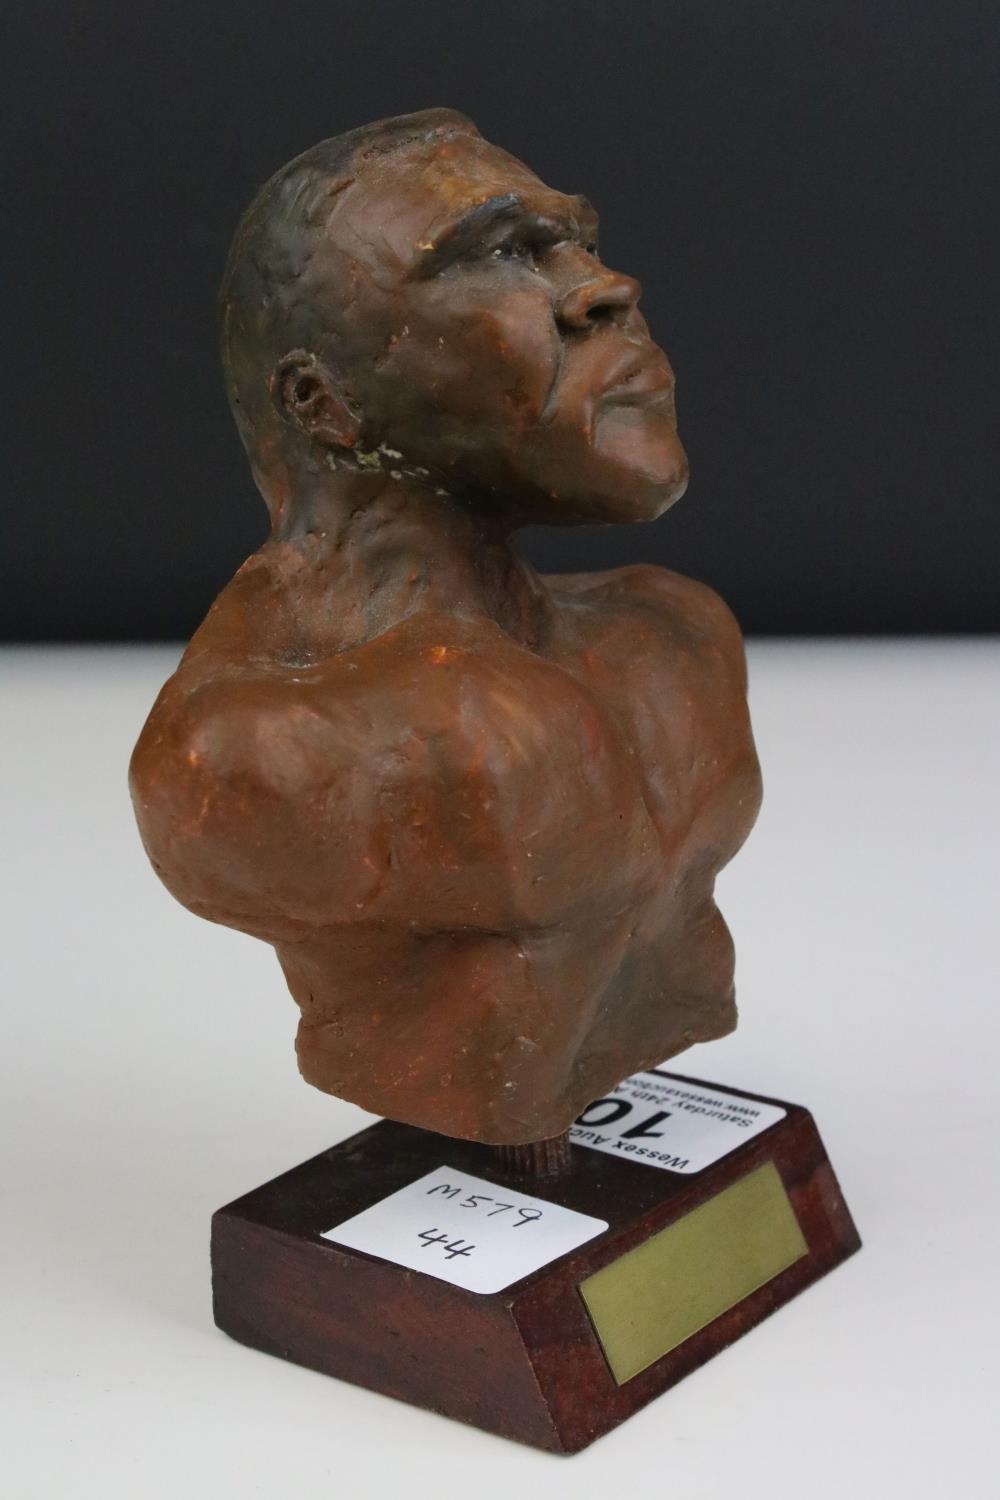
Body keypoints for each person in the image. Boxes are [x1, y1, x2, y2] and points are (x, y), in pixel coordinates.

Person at [130, 109, 761, 1144]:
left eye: (578, 242)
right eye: (505, 253)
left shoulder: (670, 635)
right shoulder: (236, 750)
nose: (607, 288)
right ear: (325, 403)